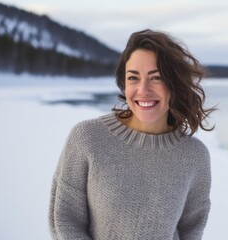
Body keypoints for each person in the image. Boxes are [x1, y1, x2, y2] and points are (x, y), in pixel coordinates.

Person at [49, 29, 215, 240]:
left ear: (174, 85)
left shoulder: (194, 156)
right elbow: (64, 220)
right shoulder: (87, 138)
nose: (143, 89)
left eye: (156, 78)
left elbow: (192, 230)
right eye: (133, 78)